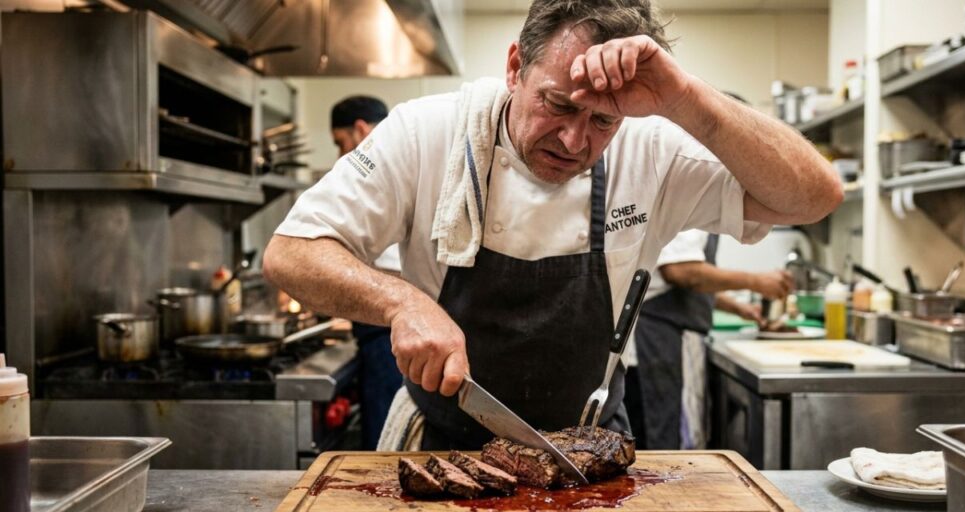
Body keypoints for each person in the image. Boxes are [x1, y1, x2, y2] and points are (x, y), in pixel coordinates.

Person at [263, 0, 843, 452]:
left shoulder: (653, 151)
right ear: (515, 67)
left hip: (590, 453)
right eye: (559, 105)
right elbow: (291, 253)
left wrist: (684, 96)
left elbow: (814, 197)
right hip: (442, 447)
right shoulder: (424, 133)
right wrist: (401, 303)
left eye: (603, 122)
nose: (574, 141)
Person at [623, 229, 794, 450]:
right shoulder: (688, 211)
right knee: (663, 445)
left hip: (667, 339)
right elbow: (681, 271)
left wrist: (738, 308)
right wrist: (755, 281)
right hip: (657, 343)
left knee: (671, 441)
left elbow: (680, 279)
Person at [330, 96, 404, 449]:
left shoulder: (373, 171)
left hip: (384, 330)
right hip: (398, 324)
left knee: (384, 441)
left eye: (339, 141)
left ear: (360, 129)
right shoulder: (408, 160)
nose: (340, 152)